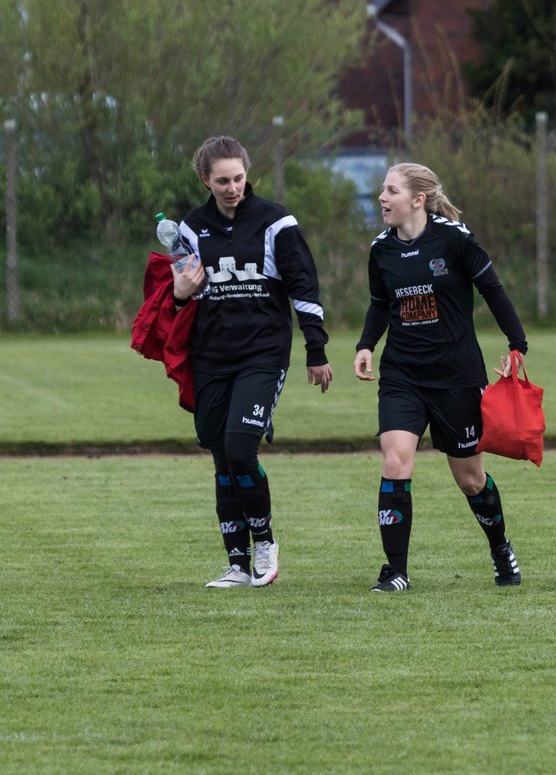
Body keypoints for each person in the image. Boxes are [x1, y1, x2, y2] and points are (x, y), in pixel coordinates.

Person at [354, 163, 528, 593]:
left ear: (417, 199)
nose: (382, 197)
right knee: (395, 462)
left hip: (456, 377)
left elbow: (493, 290)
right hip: (402, 375)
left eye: (391, 190)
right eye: (382, 189)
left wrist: (516, 345)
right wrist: (365, 344)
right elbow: (380, 305)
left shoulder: (454, 240)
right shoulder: (381, 250)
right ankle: (396, 571)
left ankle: (500, 547)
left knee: (470, 479)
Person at [172, 135, 334, 588]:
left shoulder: (276, 221)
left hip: (263, 354)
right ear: (205, 179)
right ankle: (237, 565)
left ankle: (264, 542)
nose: (232, 187)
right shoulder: (190, 227)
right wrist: (180, 293)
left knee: (242, 449)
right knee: (222, 458)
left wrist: (315, 349)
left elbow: (304, 285)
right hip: (211, 356)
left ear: (248, 173)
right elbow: (178, 297)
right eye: (222, 180)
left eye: (238, 178)